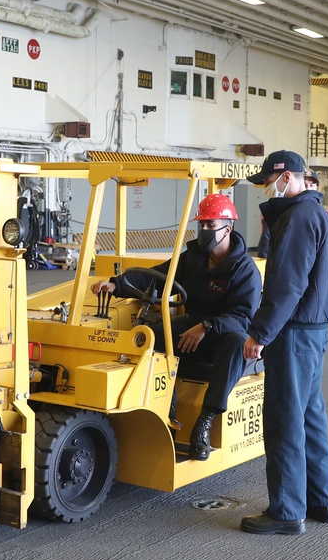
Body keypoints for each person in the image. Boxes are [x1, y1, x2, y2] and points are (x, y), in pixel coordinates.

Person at [91, 193, 261, 461]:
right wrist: (118, 284)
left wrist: (207, 325)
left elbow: (243, 316)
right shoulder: (194, 257)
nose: (204, 230)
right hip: (195, 325)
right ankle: (166, 414)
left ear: (227, 229)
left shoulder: (244, 269)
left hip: (224, 332)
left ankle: (205, 421)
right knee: (153, 336)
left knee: (235, 343)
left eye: (210, 226)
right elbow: (160, 276)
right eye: (201, 225)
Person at [241, 150, 328, 536]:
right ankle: (320, 501)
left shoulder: (298, 219)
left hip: (295, 332)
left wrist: (259, 334)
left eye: (269, 181)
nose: (267, 188)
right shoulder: (318, 215)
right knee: (311, 418)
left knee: (284, 419)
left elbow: (287, 286)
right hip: (315, 331)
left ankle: (286, 511)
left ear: (287, 178)